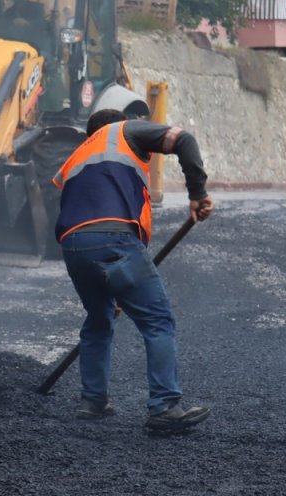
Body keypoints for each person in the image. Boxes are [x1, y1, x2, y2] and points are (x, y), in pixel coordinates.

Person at [52, 108, 215, 432]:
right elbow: (184, 139)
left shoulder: (76, 157)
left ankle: (92, 401)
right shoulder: (125, 130)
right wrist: (197, 193)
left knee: (98, 318)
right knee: (157, 319)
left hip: (73, 246)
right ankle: (165, 406)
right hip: (114, 240)